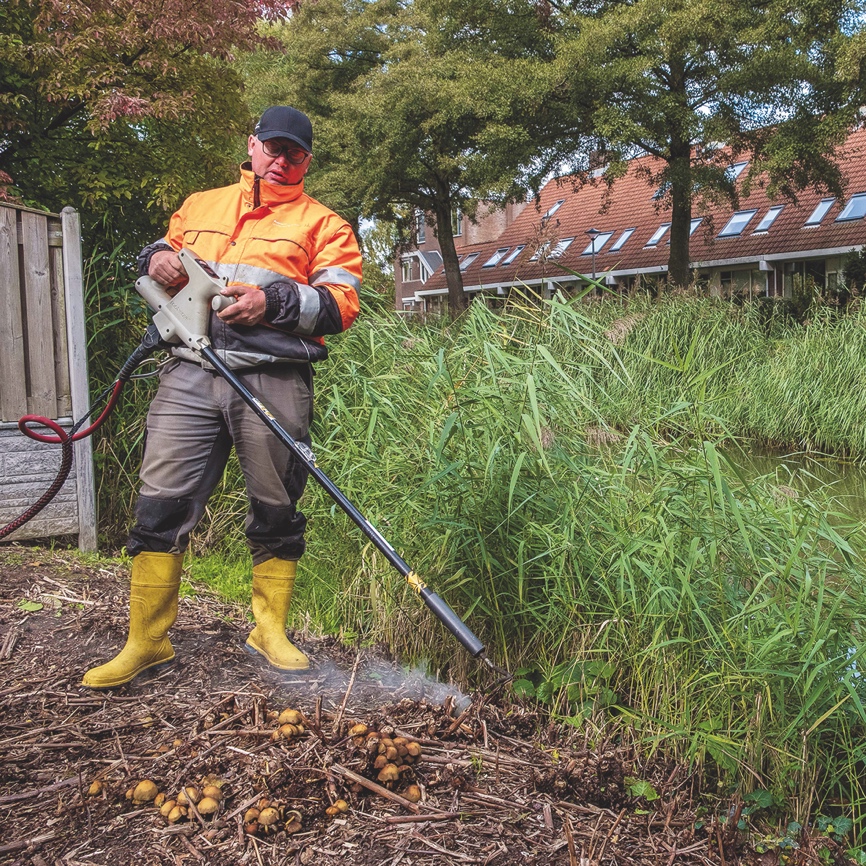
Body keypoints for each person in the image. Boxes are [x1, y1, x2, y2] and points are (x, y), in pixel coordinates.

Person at [83, 106, 362, 689]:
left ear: (307, 161)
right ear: (252, 144)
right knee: (160, 502)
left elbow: (340, 306)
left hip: (273, 375)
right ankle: (146, 640)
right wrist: (155, 258)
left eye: (296, 154)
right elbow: (161, 255)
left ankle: (269, 630)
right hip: (189, 370)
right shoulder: (201, 204)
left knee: (276, 505)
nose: (282, 161)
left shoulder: (325, 225)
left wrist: (273, 304)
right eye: (274, 148)